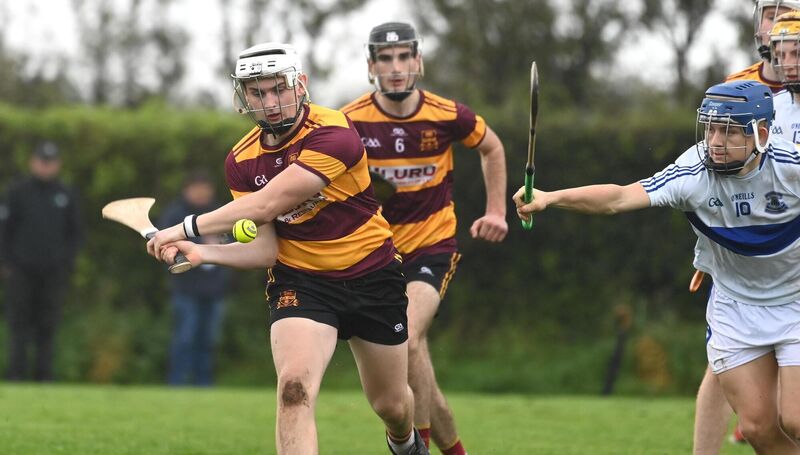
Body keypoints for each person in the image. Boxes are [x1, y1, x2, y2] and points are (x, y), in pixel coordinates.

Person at [147, 42, 429, 455]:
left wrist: (183, 228)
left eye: (278, 88)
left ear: (300, 85)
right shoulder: (242, 160)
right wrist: (204, 252)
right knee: (293, 390)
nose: (270, 102)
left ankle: (404, 444)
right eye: (257, 92)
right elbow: (265, 251)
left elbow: (267, 204)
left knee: (392, 405)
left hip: (372, 274)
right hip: (303, 282)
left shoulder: (334, 132)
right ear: (243, 96)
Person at [515, 80, 800, 453]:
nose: (715, 141)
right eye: (711, 128)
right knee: (757, 428)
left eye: (729, 132)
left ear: (761, 134)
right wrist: (551, 198)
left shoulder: (790, 167)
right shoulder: (693, 173)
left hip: (796, 300)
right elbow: (619, 198)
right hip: (736, 307)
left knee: (795, 419)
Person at [341, 22, 508, 455]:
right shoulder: (349, 121)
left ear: (418, 61)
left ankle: (415, 448)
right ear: (371, 66)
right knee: (422, 373)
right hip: (376, 255)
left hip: (431, 247)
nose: (396, 68)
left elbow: (491, 147)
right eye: (385, 58)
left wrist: (496, 211)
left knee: (409, 337)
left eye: (404, 57)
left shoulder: (447, 114)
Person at [693, 4, 800, 451]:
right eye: (769, 14)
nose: (775, 25)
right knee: (724, 372)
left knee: (792, 416)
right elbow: (714, 180)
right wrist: (710, 249)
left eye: (785, 12)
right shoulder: (742, 91)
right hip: (755, 262)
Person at [0, 141, 83, 381]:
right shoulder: (16, 192)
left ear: (58, 164)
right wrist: (5, 263)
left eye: (51, 162)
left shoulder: (66, 194)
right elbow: (4, 230)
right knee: (19, 324)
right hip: (20, 271)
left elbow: (75, 234)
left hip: (53, 272)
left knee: (48, 324)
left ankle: (44, 376)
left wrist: (65, 263)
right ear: (33, 162)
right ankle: (16, 375)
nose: (46, 167)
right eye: (42, 161)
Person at [158, 170, 232, 386]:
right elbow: (165, 248)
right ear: (186, 189)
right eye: (196, 188)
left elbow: (232, 245)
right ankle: (177, 383)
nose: (201, 193)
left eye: (205, 188)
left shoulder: (221, 213)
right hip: (186, 290)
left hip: (215, 291)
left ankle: (204, 384)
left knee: (208, 340)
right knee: (185, 338)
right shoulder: (175, 215)